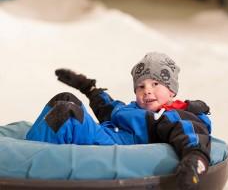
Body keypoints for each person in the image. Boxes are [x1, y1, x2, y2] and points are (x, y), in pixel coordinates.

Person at [26, 52, 212, 190]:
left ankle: (28, 166)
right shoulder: (134, 110)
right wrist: (88, 87)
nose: (147, 90)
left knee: (66, 113)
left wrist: (194, 160)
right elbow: (109, 108)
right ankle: (29, 149)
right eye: (141, 86)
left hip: (108, 147)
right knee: (64, 98)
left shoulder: (170, 115)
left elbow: (191, 133)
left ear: (171, 91)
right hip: (103, 136)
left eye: (155, 84)